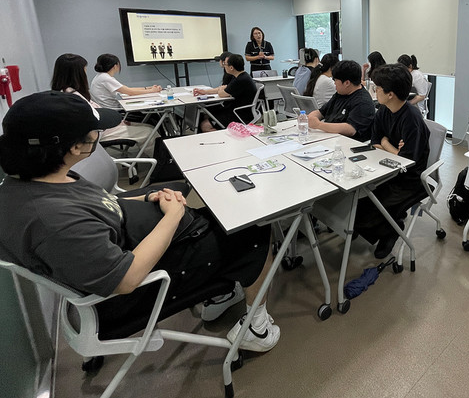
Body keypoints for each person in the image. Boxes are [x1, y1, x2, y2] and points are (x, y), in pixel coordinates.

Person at [0, 91, 280, 353]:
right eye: (95, 132)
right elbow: (127, 279)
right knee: (253, 228)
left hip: (134, 234)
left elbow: (100, 205)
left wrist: (147, 198)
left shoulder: (40, 179)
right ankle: (256, 329)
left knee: (216, 214)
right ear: (74, 147)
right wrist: (173, 216)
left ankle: (222, 294)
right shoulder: (53, 221)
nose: (98, 136)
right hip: (133, 291)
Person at [354, 63, 431, 258]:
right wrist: (391, 147)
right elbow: (375, 141)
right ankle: (376, 227)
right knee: (357, 201)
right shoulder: (384, 110)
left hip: (409, 179)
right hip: (386, 168)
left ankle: (391, 230)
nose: (375, 91)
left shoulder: (411, 118)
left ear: (390, 94)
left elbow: (406, 161)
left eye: (378, 88)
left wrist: (386, 143)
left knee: (371, 208)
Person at [51, 53, 158, 156]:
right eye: (84, 70)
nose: (85, 73)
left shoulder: (65, 93)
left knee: (148, 126)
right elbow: (128, 91)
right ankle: (161, 162)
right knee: (150, 131)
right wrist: (118, 123)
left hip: (104, 124)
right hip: (102, 130)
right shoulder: (75, 96)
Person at [307, 60, 375, 142]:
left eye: (335, 80)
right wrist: (312, 117)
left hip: (347, 142)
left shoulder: (362, 102)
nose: (334, 83)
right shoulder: (340, 94)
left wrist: (319, 125)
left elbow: (351, 129)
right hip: (330, 138)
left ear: (347, 83)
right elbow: (321, 112)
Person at [195, 54, 257, 131]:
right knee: (206, 115)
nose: (224, 66)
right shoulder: (240, 76)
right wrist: (204, 92)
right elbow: (223, 89)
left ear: (231, 67)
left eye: (225, 64)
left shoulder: (240, 80)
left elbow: (221, 94)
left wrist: (221, 89)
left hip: (239, 114)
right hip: (235, 110)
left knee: (205, 125)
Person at [90, 53, 162, 109]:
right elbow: (130, 92)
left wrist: (147, 88)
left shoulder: (101, 76)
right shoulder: (105, 78)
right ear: (115, 66)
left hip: (109, 109)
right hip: (113, 110)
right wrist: (152, 91)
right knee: (152, 114)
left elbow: (127, 89)